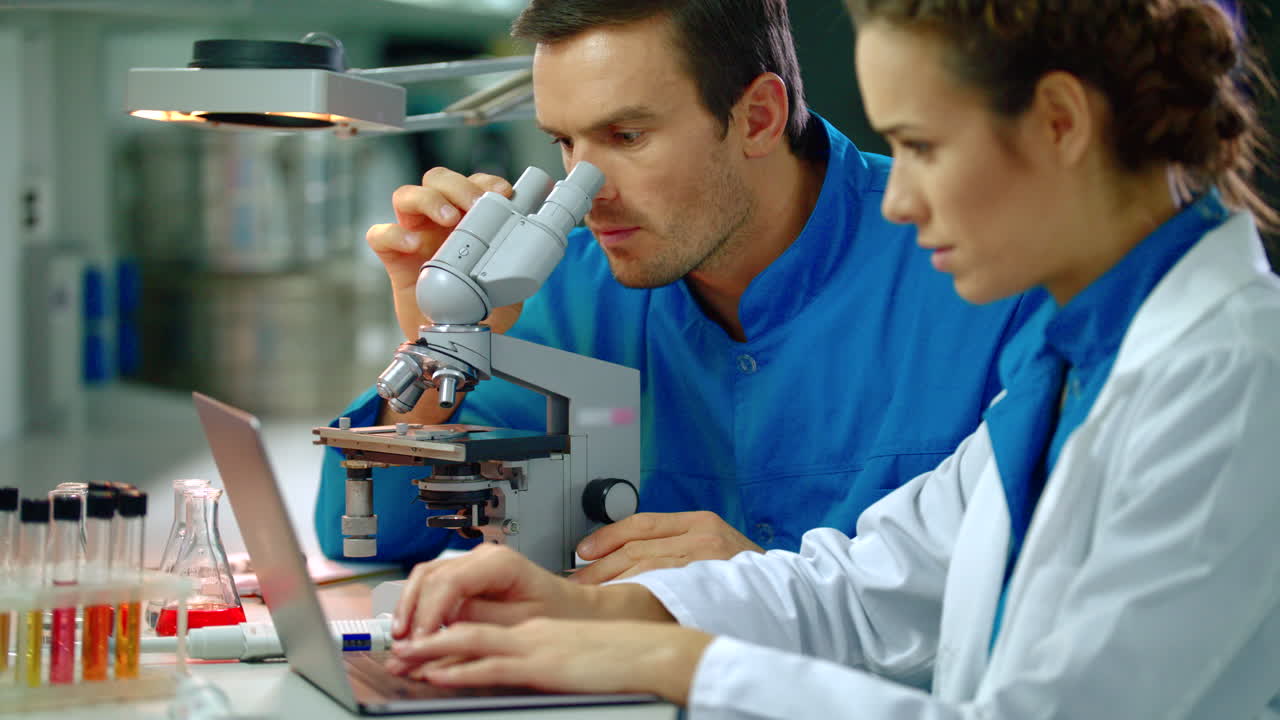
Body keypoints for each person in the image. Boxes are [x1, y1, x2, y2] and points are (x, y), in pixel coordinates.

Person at [376, 0, 1280, 717]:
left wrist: (667, 657)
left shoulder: (1237, 378)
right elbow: (860, 588)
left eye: (921, 147)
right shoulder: (1076, 359)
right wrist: (589, 615)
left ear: (1057, 122)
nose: (901, 199)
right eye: (564, 144)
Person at [314, 0, 1033, 580]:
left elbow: (1043, 597)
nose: (585, 191)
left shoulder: (975, 262)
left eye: (626, 136)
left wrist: (768, 588)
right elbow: (367, 536)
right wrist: (437, 340)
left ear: (757, 118)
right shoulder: (555, 284)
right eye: (564, 143)